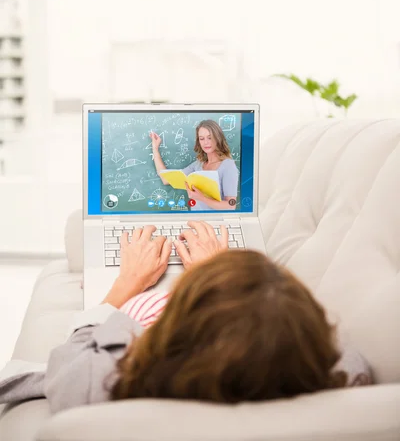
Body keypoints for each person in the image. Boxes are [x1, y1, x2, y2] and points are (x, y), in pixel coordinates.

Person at [0, 223, 371, 411]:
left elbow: (74, 355)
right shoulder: (346, 379)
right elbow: (337, 348)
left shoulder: (94, 381)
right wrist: (226, 281)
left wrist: (124, 287)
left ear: (174, 336)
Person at [150, 119, 239, 210]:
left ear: (218, 138)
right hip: (196, 220)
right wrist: (155, 148)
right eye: (201, 138)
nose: (206, 142)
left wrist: (202, 198)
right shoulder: (197, 165)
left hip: (215, 222)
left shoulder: (228, 166)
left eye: (210, 137)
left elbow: (231, 205)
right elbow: (165, 179)